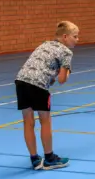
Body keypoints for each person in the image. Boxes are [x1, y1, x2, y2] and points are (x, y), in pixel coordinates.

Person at [14, 21, 79, 170]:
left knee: (28, 122)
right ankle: (49, 158)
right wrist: (68, 71)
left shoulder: (45, 44)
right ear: (65, 37)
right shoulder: (66, 52)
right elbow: (62, 80)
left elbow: (44, 69)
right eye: (75, 36)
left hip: (21, 81)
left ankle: (35, 159)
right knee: (45, 121)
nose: (77, 39)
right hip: (38, 85)